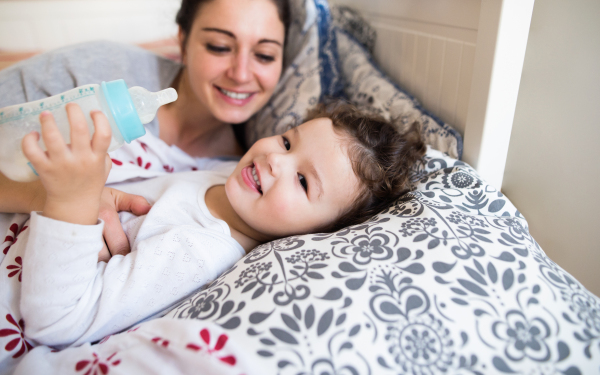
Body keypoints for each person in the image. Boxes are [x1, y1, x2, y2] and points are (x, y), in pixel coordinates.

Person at [0, 100, 426, 372]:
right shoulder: (229, 177)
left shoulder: (196, 252)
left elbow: (57, 323)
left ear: (315, 235)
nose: (275, 161)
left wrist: (73, 202)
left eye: (302, 181)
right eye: (286, 140)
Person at [0, 0, 292, 261]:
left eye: (265, 55)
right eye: (219, 46)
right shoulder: (100, 74)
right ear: (183, 40)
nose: (241, 74)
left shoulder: (246, 179)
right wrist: (61, 198)